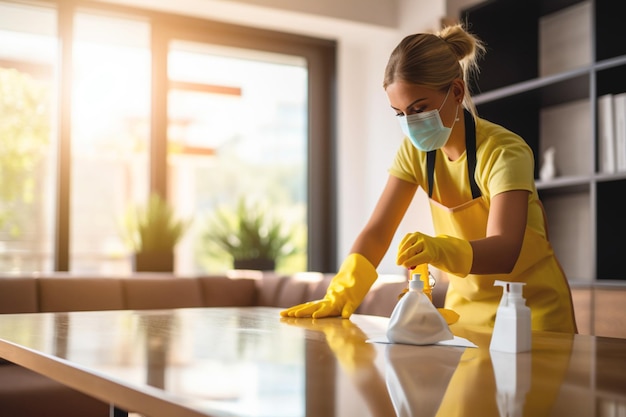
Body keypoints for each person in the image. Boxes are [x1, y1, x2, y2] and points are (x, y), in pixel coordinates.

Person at [280, 23, 577, 333]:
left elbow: (505, 250)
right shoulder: (416, 154)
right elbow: (379, 231)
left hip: (530, 313)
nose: (410, 124)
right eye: (399, 113)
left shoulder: (504, 152)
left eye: (419, 108)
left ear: (457, 92)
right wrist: (342, 292)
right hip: (465, 316)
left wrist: (439, 249)